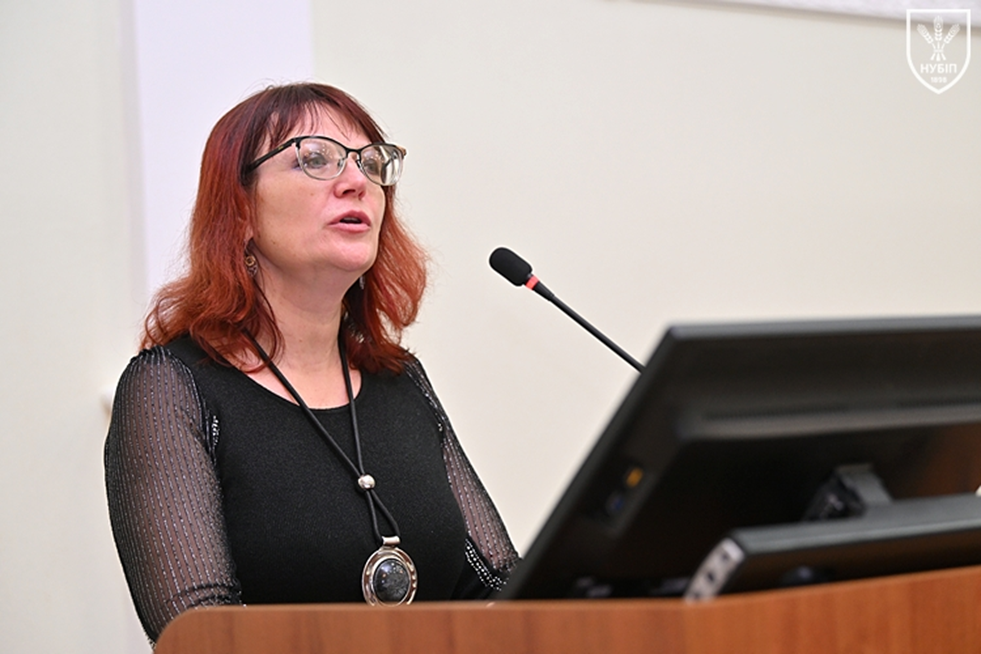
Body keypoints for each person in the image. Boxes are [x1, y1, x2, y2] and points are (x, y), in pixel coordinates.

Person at [104, 82, 519, 643]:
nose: (357, 182)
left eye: (371, 163)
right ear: (241, 210)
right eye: (315, 159)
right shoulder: (172, 389)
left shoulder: (400, 381)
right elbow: (202, 636)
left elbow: (501, 590)